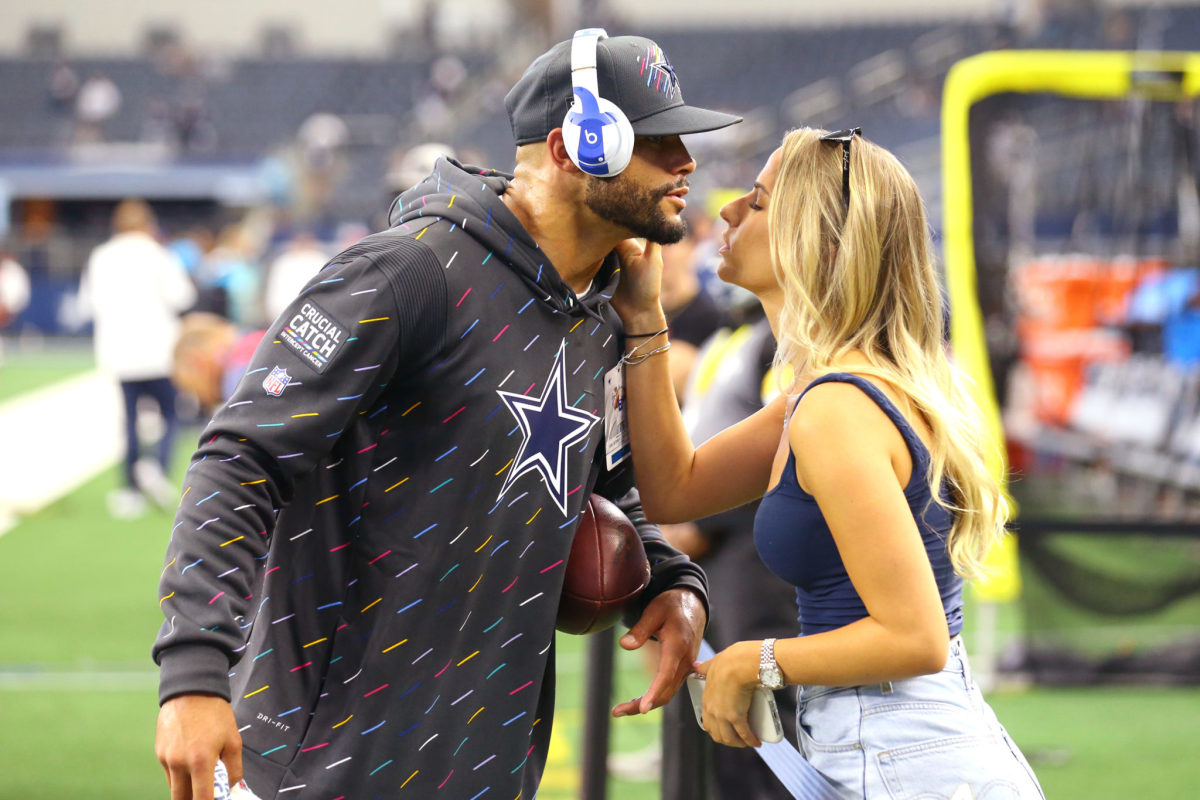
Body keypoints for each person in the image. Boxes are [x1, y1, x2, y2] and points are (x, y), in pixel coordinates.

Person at [152, 28, 740, 800]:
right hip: (323, 769)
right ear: (575, 147)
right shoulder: (409, 271)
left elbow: (602, 483)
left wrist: (666, 578)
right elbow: (240, 456)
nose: (686, 164)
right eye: (659, 141)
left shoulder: (603, 311)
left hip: (487, 773)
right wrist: (195, 672)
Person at [610, 128, 1045, 798]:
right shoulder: (825, 392)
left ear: (819, 244)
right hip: (900, 748)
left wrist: (753, 660)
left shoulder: (836, 408)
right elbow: (674, 488)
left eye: (756, 203)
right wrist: (644, 315)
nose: (727, 212)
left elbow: (914, 636)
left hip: (906, 756)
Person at [80, 198, 196, 518]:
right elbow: (182, 295)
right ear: (147, 224)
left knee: (129, 419)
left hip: (120, 351)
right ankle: (157, 466)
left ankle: (130, 490)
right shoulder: (160, 254)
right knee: (171, 413)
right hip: (159, 350)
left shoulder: (101, 256)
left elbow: (89, 303)